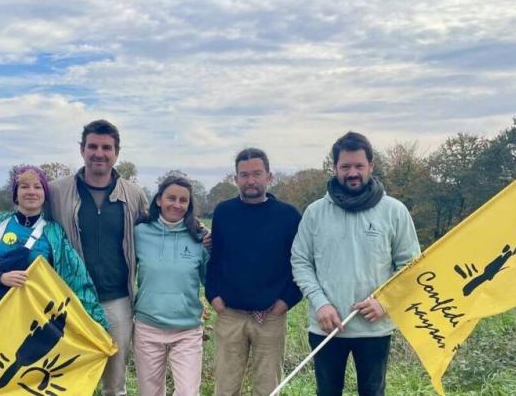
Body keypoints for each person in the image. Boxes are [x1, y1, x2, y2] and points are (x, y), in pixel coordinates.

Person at [291, 132, 421, 396]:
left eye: (359, 166)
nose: (353, 172)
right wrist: (320, 303)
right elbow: (300, 260)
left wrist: (385, 301)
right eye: (345, 166)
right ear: (335, 168)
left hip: (374, 329)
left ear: (371, 166)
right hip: (327, 327)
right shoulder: (315, 213)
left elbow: (411, 266)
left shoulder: (394, 211)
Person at [48, 119, 149, 396]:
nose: (99, 153)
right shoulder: (56, 191)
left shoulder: (134, 194)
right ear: (82, 150)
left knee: (114, 383)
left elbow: (159, 228)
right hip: (69, 301)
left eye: (106, 147)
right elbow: (28, 223)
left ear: (116, 152)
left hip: (117, 301)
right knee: (66, 377)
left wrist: (198, 230)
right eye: (93, 146)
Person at [0, 165, 108, 334]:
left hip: (37, 325)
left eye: (37, 187)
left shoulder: (54, 233)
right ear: (16, 193)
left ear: (44, 194)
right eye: (24, 186)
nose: (31, 192)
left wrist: (97, 324)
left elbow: (76, 279)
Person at [205, 148, 303, 396]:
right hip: (230, 313)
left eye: (257, 174)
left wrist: (286, 301)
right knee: (226, 387)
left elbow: (300, 263)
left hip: (270, 315)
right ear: (236, 178)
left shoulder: (288, 216)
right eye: (244, 174)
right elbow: (214, 258)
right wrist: (213, 295)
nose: (250, 180)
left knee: (268, 387)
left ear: (269, 176)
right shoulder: (224, 212)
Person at [132, 175, 208, 396]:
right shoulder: (139, 232)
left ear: (189, 204)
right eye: (171, 198)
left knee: (187, 392)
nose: (176, 205)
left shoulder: (200, 238)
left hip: (187, 330)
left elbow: (210, 278)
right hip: (148, 327)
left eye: (183, 200)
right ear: (159, 200)